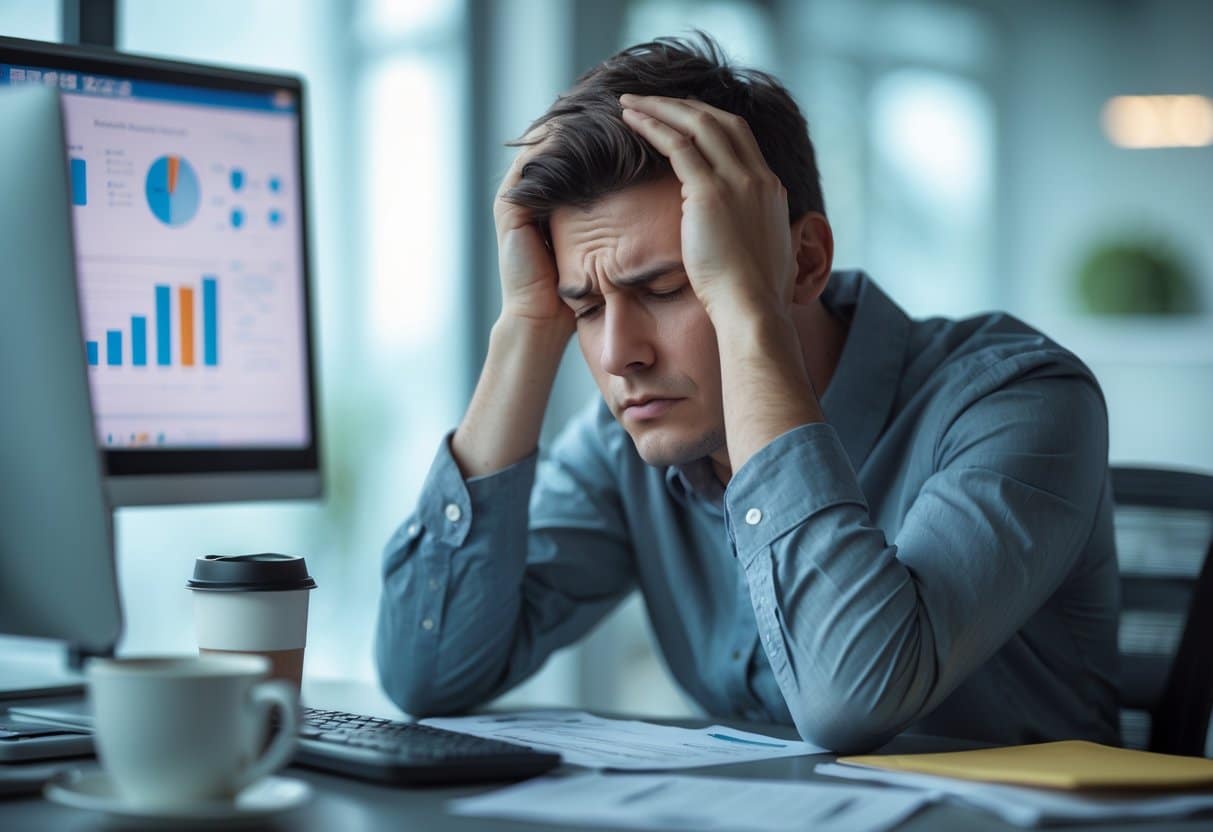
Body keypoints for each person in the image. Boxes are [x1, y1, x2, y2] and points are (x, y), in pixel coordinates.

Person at [375, 34, 1120, 753]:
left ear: (802, 262)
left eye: (667, 288)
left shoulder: (1017, 399)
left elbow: (851, 698)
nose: (616, 354)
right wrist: (524, 330)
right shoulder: (627, 443)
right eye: (587, 307)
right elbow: (425, 674)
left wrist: (745, 312)